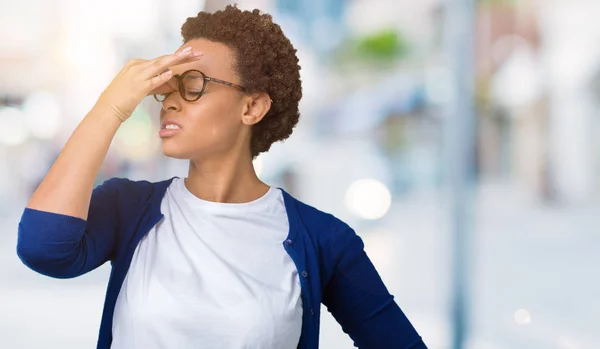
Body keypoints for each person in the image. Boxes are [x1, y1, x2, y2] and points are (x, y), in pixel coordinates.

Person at [16, 5, 426, 349]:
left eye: (192, 84)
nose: (170, 101)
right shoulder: (129, 208)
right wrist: (110, 107)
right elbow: (43, 248)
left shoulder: (323, 241)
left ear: (252, 107)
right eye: (167, 86)